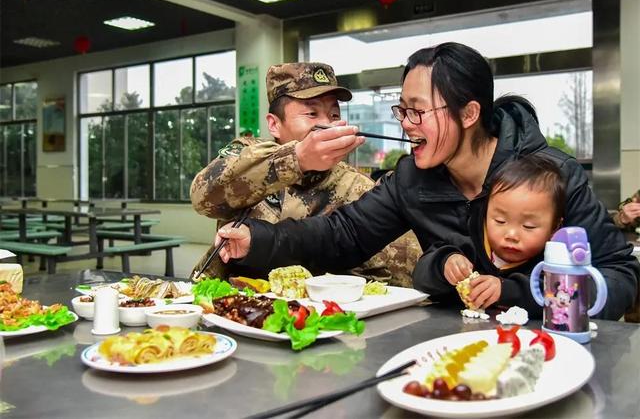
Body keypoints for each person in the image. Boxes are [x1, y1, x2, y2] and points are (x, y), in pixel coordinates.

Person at [215, 42, 639, 320]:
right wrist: (258, 239)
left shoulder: (554, 176)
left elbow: (621, 272)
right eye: (403, 111)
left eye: (418, 111)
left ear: (469, 114)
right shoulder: (412, 178)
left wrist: (543, 296)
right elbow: (341, 235)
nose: (407, 126)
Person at [190, 62, 420, 285]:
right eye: (311, 113)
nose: (328, 125)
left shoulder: (357, 186)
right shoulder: (249, 158)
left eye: (333, 115)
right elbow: (203, 196)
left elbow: (400, 272)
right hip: (229, 305)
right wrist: (297, 158)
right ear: (274, 125)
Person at [436, 155, 565, 316]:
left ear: (554, 228)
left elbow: (562, 299)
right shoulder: (469, 244)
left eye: (528, 226)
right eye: (500, 221)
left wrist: (506, 290)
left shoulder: (554, 265)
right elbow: (422, 276)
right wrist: (443, 263)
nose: (511, 235)